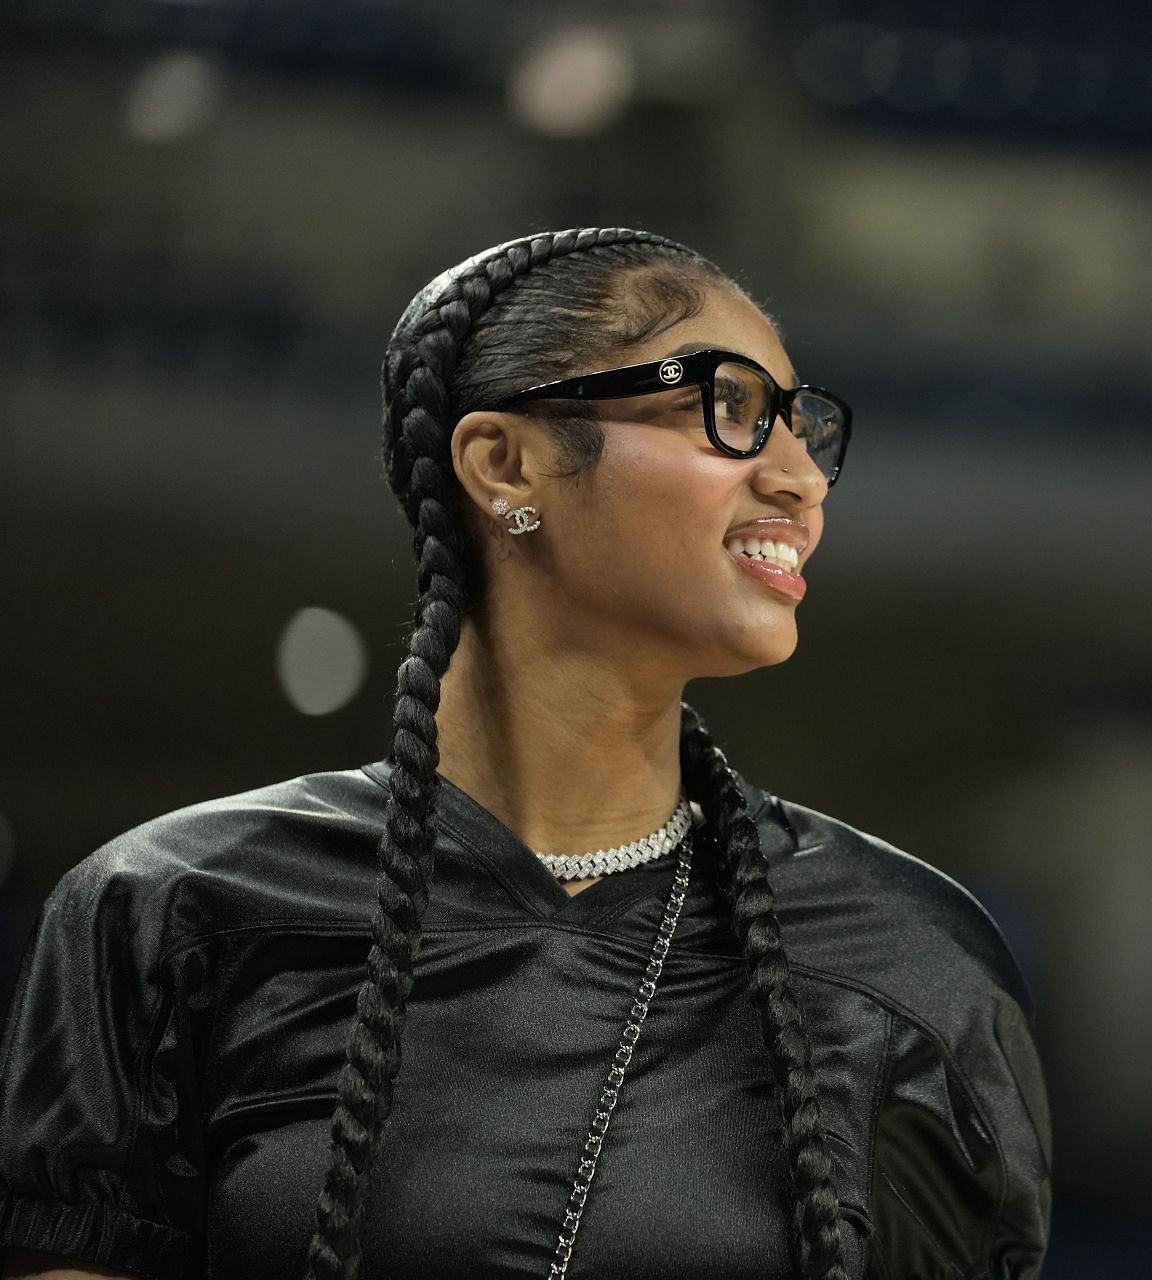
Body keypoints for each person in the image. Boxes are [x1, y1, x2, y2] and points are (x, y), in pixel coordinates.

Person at [0, 228, 1051, 1279]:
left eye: (804, 426)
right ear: (506, 462)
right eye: (730, 408)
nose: (801, 480)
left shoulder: (910, 958)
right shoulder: (173, 912)